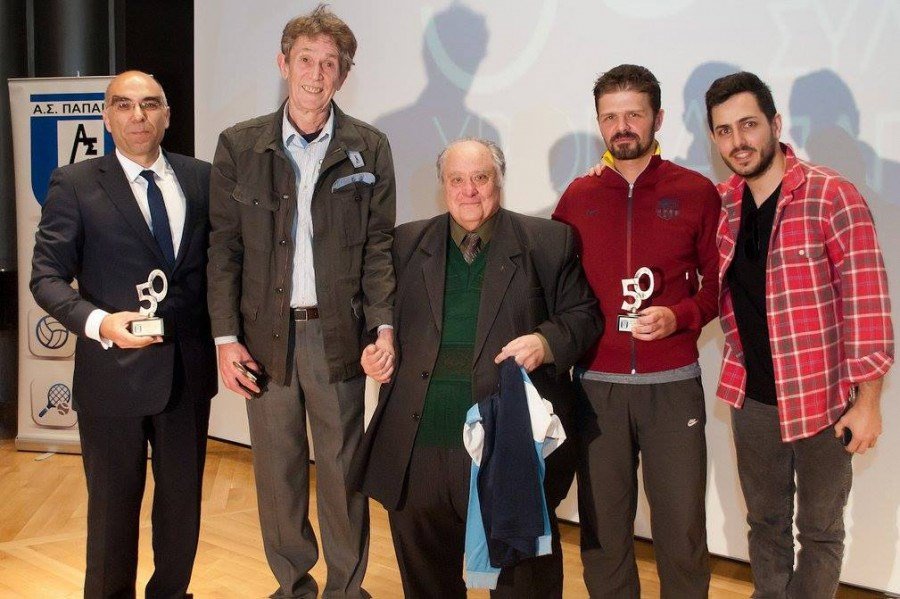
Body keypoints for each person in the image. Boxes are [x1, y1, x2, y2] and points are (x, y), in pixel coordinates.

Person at [349, 138, 601, 598]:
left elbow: (583, 316)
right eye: (457, 180)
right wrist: (375, 344)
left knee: (524, 585)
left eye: (480, 178)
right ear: (443, 186)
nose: (469, 190)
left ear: (498, 180)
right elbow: (376, 312)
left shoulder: (548, 241)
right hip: (419, 447)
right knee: (427, 584)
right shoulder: (405, 244)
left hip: (509, 447)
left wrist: (545, 342)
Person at [206, 5, 396, 597]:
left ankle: (346, 589)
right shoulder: (239, 146)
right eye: (306, 60)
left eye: (329, 64)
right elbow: (224, 249)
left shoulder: (370, 146)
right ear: (283, 63)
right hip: (264, 337)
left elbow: (379, 249)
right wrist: (225, 339)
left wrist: (384, 327)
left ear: (344, 74)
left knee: (342, 472)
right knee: (277, 471)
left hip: (337, 335)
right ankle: (292, 586)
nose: (316, 74)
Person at [706, 71, 893, 598]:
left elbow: (867, 303)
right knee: (764, 526)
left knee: (819, 532)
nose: (738, 141)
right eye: (724, 131)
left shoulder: (831, 195)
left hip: (824, 401)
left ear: (775, 124)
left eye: (748, 125)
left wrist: (868, 403)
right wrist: (610, 169)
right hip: (752, 401)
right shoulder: (720, 205)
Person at [30, 71, 216, 598]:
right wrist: (100, 323)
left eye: (150, 104)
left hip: (186, 377)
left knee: (181, 514)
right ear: (107, 117)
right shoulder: (75, 183)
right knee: (112, 517)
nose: (139, 115)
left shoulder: (201, 178)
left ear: (167, 115)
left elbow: (220, 269)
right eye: (124, 105)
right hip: (111, 376)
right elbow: (45, 277)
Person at [552, 64, 720, 598]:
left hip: (672, 386)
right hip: (595, 389)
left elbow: (719, 286)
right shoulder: (577, 197)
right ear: (599, 123)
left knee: (682, 531)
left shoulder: (696, 192)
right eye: (610, 117)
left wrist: (681, 316)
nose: (622, 127)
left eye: (634, 115)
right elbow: (557, 290)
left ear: (658, 118)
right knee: (603, 534)